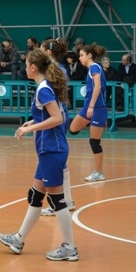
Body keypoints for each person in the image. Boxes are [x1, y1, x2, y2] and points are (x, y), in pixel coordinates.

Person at [0, 48, 78, 261]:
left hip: (52, 150)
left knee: (57, 200)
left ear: (33, 67)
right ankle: (18, 239)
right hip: (47, 150)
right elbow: (50, 113)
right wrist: (33, 121)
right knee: (35, 196)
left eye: (26, 65)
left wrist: (29, 129)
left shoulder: (44, 89)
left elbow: (58, 118)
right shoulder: (46, 86)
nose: (24, 68)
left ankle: (69, 247)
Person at [40, 38, 76, 217]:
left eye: (41, 49)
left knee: (55, 159)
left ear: (48, 52)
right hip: (61, 114)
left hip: (56, 116)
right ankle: (67, 200)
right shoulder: (60, 68)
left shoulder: (54, 70)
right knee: (60, 162)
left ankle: (59, 202)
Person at [69, 43, 108, 182]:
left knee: (94, 142)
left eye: (81, 55)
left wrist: (91, 106)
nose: (79, 58)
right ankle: (91, 124)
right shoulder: (91, 69)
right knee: (72, 130)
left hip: (97, 108)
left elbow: (98, 87)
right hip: (88, 108)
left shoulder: (95, 67)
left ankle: (99, 173)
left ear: (89, 55)